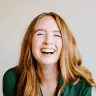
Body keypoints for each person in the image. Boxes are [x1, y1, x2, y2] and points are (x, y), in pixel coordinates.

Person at [3, 12, 96, 96]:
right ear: (29, 41)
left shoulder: (82, 83)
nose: (48, 41)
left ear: (65, 43)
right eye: (40, 34)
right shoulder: (12, 78)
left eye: (57, 35)